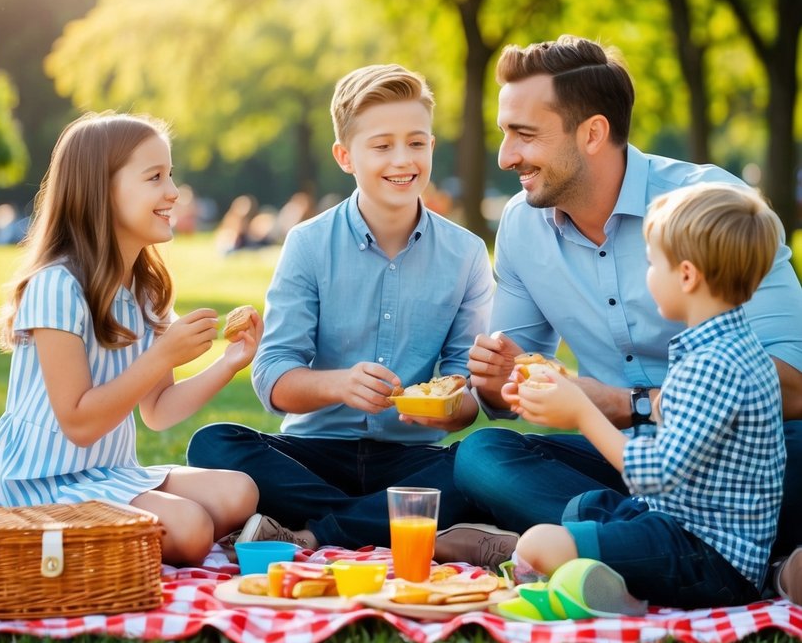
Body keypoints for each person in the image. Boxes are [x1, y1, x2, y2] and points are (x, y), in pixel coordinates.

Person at [435, 35, 802, 591]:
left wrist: (617, 404)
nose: (507, 156)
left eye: (524, 134)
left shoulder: (711, 208)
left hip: (737, 459)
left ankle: (572, 542)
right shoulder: (520, 223)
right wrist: (497, 382)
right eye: (504, 133)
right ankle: (673, 549)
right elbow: (506, 395)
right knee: (484, 456)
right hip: (625, 460)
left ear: (592, 133)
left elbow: (794, 387)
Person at [186, 64, 494, 550]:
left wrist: (445, 410)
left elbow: (466, 394)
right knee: (213, 444)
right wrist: (340, 384)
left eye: (416, 142)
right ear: (345, 156)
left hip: (411, 459)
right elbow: (272, 376)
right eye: (382, 145)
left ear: (432, 147)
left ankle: (312, 533)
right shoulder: (308, 243)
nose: (403, 159)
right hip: (312, 455)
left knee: (482, 465)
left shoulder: (468, 254)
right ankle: (404, 527)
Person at [0, 113, 261, 566]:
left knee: (240, 491)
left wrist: (229, 363)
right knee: (190, 528)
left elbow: (159, 411)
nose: (173, 192)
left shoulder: (144, 289)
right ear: (101, 190)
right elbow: (79, 422)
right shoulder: (58, 285)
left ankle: (127, 539)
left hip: (106, 473)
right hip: (34, 483)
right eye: (155, 177)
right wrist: (162, 353)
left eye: (171, 175)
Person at [504, 183, 785, 609]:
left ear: (687, 276)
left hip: (708, 562)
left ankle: (594, 594)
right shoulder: (717, 349)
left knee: (542, 541)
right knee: (584, 509)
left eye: (653, 264)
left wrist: (582, 412)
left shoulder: (716, 364)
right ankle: (605, 583)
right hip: (675, 526)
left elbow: (656, 472)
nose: (647, 275)